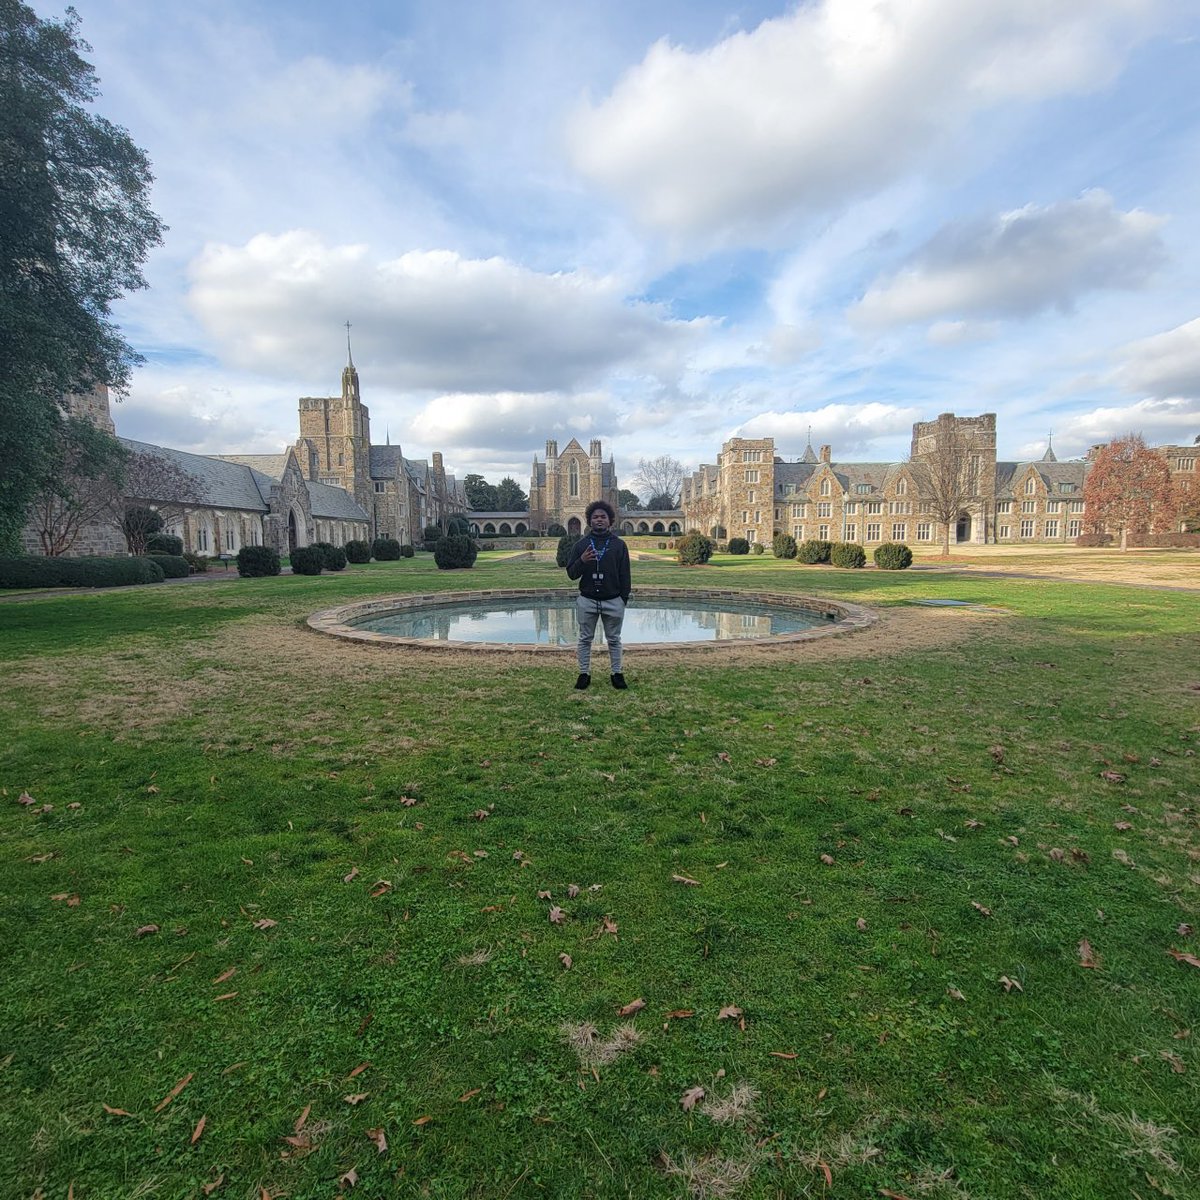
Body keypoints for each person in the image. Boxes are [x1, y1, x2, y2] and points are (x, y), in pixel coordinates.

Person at [565, 500, 631, 690]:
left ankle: (616, 674)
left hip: (613, 600)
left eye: (603, 517)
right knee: (585, 639)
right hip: (587, 600)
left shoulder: (619, 545)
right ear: (589, 521)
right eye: (595, 517)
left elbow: (625, 575)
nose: (599, 520)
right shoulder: (581, 545)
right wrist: (582, 560)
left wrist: (622, 600)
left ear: (610, 520)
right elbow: (571, 574)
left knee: (614, 640)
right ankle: (584, 674)